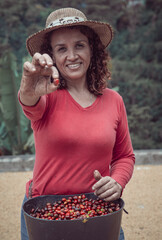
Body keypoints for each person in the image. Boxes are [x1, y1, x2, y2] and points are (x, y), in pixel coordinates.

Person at [19, 7, 135, 240]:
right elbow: (28, 102)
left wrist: (117, 181)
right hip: (46, 213)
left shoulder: (114, 101)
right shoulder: (45, 95)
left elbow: (124, 157)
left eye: (79, 45)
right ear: (50, 55)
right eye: (61, 49)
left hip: (98, 212)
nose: (72, 56)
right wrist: (28, 88)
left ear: (92, 49)